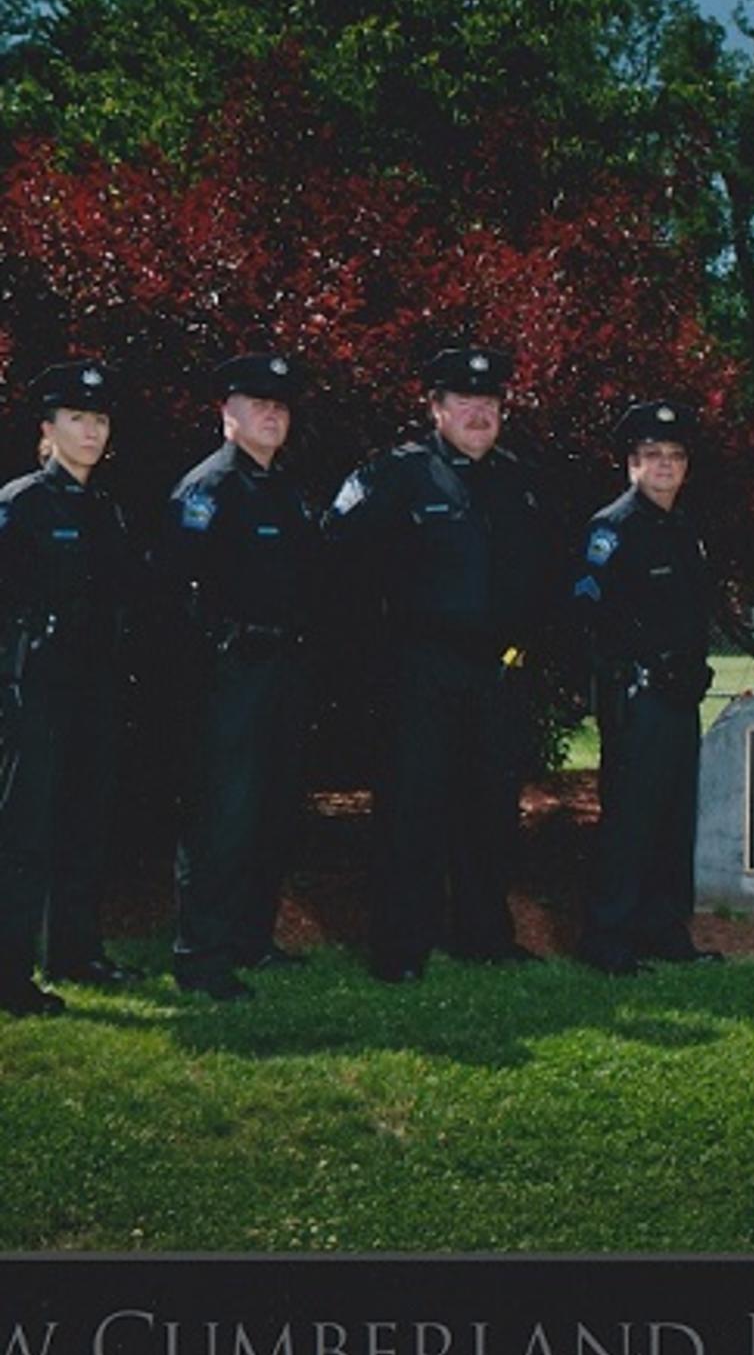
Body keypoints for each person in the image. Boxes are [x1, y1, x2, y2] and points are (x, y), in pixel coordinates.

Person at [323, 346, 551, 983]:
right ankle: (401, 947)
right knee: (412, 811)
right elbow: (339, 562)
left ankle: (484, 935)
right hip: (419, 668)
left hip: (498, 671)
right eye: (463, 401)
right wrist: (375, 651)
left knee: (491, 808)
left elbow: (540, 578)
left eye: (490, 402)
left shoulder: (520, 480)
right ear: (436, 408)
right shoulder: (396, 476)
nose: (479, 412)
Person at [162, 353, 318, 1001]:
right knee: (221, 817)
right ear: (227, 415)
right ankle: (201, 956)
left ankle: (252, 940)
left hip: (280, 670)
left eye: (280, 406)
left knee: (271, 811)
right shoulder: (208, 489)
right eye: (258, 405)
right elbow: (173, 589)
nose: (272, 415)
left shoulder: (284, 489)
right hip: (225, 675)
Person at [0, 359, 144, 1017]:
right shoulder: (21, 503)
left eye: (100, 419)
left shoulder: (108, 510)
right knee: (26, 837)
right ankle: (9, 976)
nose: (91, 431)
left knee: (87, 825)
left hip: (94, 689)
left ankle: (74, 952)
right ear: (48, 429)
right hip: (34, 690)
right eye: (77, 419)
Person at [572, 399, 723, 976]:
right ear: (631, 465)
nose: (665, 466)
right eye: (652, 456)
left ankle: (663, 929)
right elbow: (585, 611)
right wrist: (611, 679)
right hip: (637, 696)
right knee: (630, 822)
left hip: (680, 695)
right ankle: (607, 938)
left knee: (671, 819)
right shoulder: (613, 528)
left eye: (675, 456)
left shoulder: (682, 528)